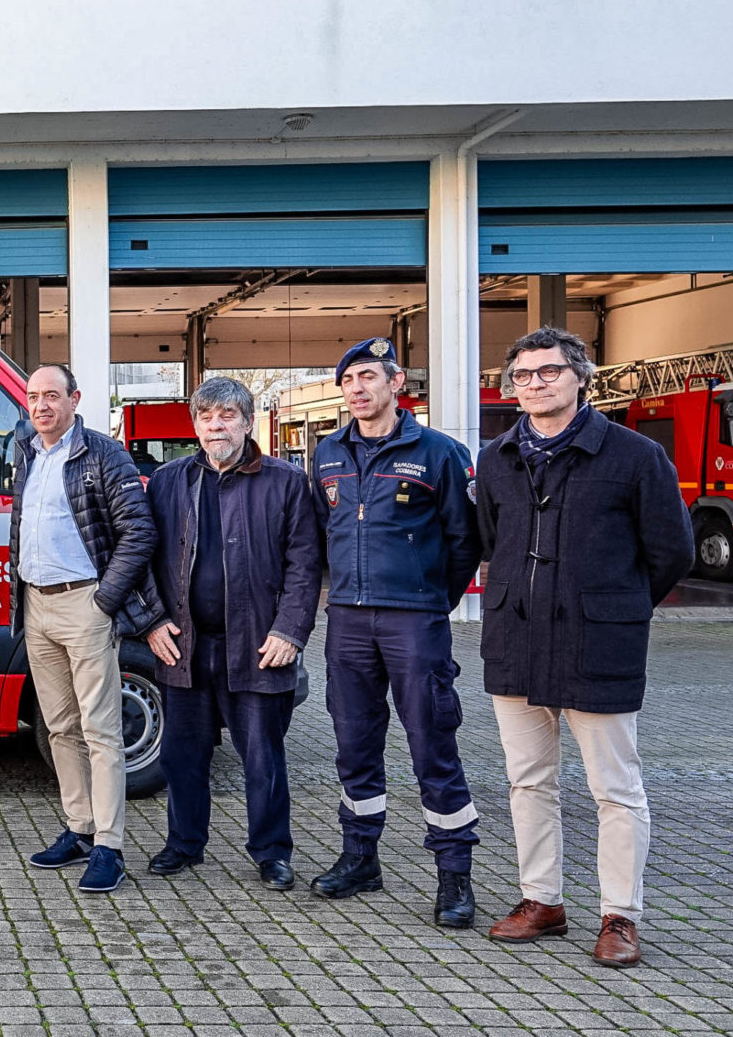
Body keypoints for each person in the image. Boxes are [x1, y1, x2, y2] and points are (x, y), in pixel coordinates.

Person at [475, 327, 693, 968]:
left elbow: (672, 551)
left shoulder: (636, 456)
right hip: (515, 640)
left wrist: (615, 607)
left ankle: (620, 915)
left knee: (615, 788)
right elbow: (491, 538)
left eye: (548, 371)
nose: (534, 384)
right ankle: (541, 901)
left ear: (580, 378)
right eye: (522, 375)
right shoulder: (496, 458)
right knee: (527, 781)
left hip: (597, 645)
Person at [309, 338, 484, 928]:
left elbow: (465, 540)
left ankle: (454, 876)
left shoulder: (439, 453)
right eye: (348, 380)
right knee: (354, 743)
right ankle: (360, 858)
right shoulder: (328, 453)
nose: (356, 389)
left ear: (395, 381)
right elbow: (323, 531)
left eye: (367, 376)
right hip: (348, 620)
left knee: (432, 744)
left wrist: (431, 600)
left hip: (415, 622)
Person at [142, 378, 322, 891]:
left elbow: (305, 565)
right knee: (182, 755)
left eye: (226, 415)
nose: (215, 426)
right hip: (184, 644)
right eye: (205, 416)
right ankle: (184, 843)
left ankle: (271, 852)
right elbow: (143, 558)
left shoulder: (286, 481)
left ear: (248, 422)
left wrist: (290, 631)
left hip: (259, 645)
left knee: (263, 757)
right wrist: (152, 621)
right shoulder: (169, 481)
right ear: (194, 425)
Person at [8, 364, 160, 893]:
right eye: (33, 396)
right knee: (59, 728)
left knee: (101, 731)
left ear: (75, 399)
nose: (41, 405)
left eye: (52, 395)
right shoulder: (26, 453)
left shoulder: (104, 453)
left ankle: (109, 846)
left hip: (85, 605)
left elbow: (138, 531)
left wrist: (104, 601)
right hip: (37, 605)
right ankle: (79, 829)